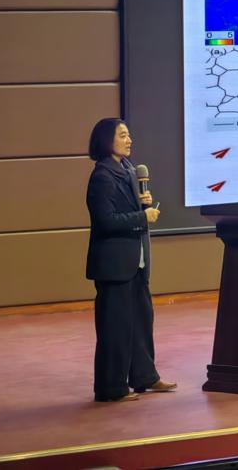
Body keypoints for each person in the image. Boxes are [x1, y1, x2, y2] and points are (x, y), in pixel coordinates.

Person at [85, 118, 176, 402]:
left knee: (141, 322)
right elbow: (105, 221)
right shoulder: (102, 176)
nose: (129, 140)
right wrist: (141, 216)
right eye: (123, 135)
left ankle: (144, 376)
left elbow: (127, 212)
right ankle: (111, 388)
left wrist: (142, 205)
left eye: (129, 135)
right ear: (106, 140)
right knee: (116, 328)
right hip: (115, 265)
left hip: (136, 262)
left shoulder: (128, 169)